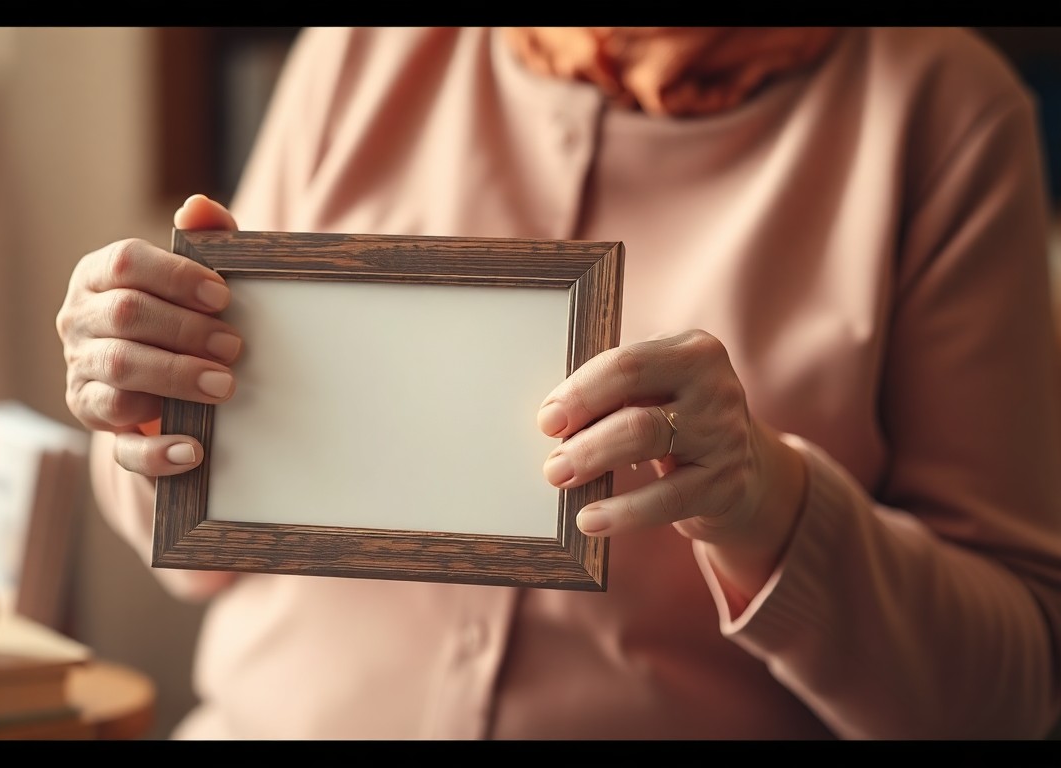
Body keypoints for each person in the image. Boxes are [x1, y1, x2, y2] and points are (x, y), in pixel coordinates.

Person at [55, 27, 1061, 739]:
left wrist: (769, 504)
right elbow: (195, 559)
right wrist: (150, 409)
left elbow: (1009, 696)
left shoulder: (942, 110)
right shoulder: (359, 50)